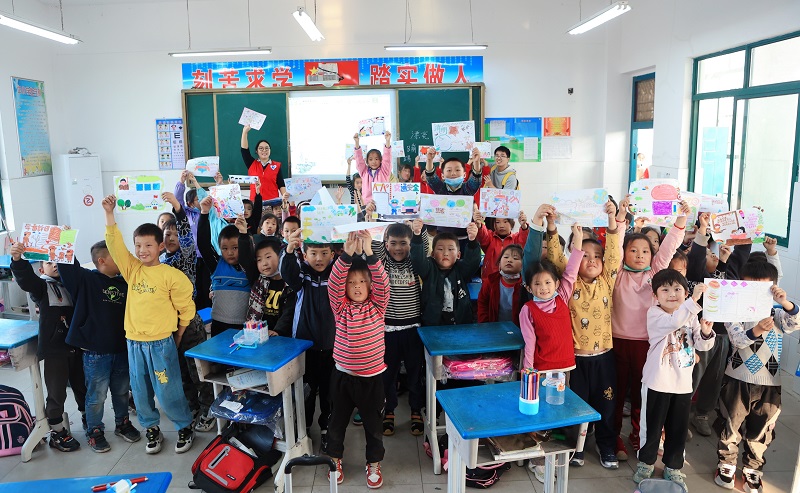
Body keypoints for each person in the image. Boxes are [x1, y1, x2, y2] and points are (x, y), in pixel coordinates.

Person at [102, 195, 196, 455]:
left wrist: (178, 335)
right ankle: (151, 428)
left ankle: (184, 426)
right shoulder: (132, 270)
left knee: (168, 389)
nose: (142, 250)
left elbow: (186, 309)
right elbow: (115, 245)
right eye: (138, 245)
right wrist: (109, 214)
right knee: (140, 390)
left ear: (160, 246)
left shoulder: (171, 275)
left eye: (148, 245)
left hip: (161, 344)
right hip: (134, 343)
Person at [545, 196, 626, 469]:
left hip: (604, 358)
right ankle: (577, 447)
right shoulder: (568, 283)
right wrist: (552, 225)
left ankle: (606, 446)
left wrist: (612, 219)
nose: (592, 260)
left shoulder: (606, 281)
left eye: (597, 257)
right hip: (575, 360)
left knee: (606, 404)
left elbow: (614, 252)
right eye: (585, 255)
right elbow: (556, 257)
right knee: (575, 405)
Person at [612, 200, 690, 460]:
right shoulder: (616, 273)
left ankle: (638, 435)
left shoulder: (654, 274)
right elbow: (614, 245)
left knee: (641, 394)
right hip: (617, 343)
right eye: (633, 250)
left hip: (647, 345)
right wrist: (621, 217)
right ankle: (613, 438)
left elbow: (669, 247)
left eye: (645, 251)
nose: (639, 255)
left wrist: (681, 220)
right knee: (616, 394)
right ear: (624, 253)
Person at [714, 260, 798, 493]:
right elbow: (738, 340)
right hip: (736, 379)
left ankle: (753, 468)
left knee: (762, 428)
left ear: (773, 289)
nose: (757, 294)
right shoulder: (735, 313)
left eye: (763, 289)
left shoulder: (778, 314)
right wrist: (758, 329)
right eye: (751, 288)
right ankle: (726, 464)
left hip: (770, 383)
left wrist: (785, 302)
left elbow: (795, 323)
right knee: (731, 423)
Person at [633, 270, 715, 490]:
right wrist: (693, 301)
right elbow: (673, 322)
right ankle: (646, 462)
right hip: (657, 382)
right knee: (651, 427)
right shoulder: (655, 313)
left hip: (682, 384)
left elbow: (702, 345)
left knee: (678, 429)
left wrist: (706, 332)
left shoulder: (691, 315)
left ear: (685, 292)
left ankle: (673, 466)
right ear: (655, 296)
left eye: (678, 289)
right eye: (665, 290)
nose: (672, 294)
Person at [57, 240, 141, 452]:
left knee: (121, 391)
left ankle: (122, 423)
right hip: (95, 353)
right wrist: (64, 239)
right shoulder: (86, 280)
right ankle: (94, 430)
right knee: (97, 395)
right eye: (116, 255)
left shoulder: (126, 281)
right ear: (102, 260)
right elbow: (67, 266)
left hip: (121, 348)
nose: (122, 258)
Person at [325, 231, 390, 488]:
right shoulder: (340, 307)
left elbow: (384, 283)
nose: (356, 286)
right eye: (351, 282)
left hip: (372, 379)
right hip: (343, 377)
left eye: (362, 281)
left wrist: (370, 253)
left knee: (373, 426)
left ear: (370, 285)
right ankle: (334, 459)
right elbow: (333, 283)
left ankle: (374, 463)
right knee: (336, 423)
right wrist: (347, 255)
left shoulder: (378, 306)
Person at [10, 242, 86, 452]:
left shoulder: (72, 284)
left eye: (58, 261)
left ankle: (88, 418)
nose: (55, 265)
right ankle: (57, 431)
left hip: (77, 347)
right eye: (49, 262)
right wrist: (18, 260)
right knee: (57, 391)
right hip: (55, 350)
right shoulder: (42, 287)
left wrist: (66, 245)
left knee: (82, 386)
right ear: (41, 269)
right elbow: (26, 280)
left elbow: (74, 269)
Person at [685, 212, 751, 437]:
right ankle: (680, 415)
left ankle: (702, 414)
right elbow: (696, 257)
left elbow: (741, 257)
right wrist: (703, 229)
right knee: (693, 376)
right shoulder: (696, 276)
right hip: (698, 336)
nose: (711, 254)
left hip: (722, 335)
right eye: (707, 252)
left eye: (712, 252)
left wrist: (748, 226)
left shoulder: (727, 273)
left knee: (714, 378)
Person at [279, 228, 337, 452]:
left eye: (324, 253)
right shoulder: (302, 273)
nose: (319, 258)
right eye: (313, 253)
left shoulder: (337, 272)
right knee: (306, 392)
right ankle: (302, 430)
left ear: (332, 254)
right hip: (305, 346)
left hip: (333, 346)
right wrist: (289, 250)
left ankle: (327, 429)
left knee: (330, 393)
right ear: (305, 255)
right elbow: (289, 275)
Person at [370, 221, 429, 437]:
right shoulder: (383, 263)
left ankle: (416, 410)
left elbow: (423, 247)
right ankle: (389, 410)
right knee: (388, 375)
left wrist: (420, 230)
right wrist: (372, 219)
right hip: (387, 330)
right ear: (386, 244)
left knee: (415, 374)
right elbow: (375, 246)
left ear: (410, 244)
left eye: (403, 243)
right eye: (393, 243)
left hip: (413, 329)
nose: (398, 248)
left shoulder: (414, 262)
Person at [519, 224, 583, 372]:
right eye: (537, 283)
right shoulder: (527, 310)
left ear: (557, 283)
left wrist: (578, 239)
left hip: (566, 365)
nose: (543, 287)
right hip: (541, 368)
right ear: (529, 288)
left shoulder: (562, 297)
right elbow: (529, 341)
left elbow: (572, 271)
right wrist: (528, 369)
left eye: (548, 282)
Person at [197, 196, 251, 337]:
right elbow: (203, 245)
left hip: (245, 327)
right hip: (218, 325)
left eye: (235, 247)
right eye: (225, 248)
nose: (230, 253)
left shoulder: (250, 267)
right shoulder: (217, 264)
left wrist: (244, 233)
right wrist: (204, 213)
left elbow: (247, 251)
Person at [411, 221, 481, 326]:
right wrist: (417, 235)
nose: (445, 253)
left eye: (451, 249)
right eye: (440, 249)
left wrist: (472, 240)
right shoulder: (429, 269)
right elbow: (417, 259)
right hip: (433, 325)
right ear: (432, 254)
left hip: (460, 324)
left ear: (458, 255)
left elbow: (473, 261)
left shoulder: (461, 269)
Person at [237, 226, 296, 337]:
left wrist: (278, 331)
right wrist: (243, 234)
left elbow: (289, 312)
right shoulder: (258, 280)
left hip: (281, 337)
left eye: (268, 257)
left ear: (280, 256)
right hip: (257, 335)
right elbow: (245, 259)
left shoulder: (289, 284)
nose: (264, 263)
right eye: (259, 260)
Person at [423, 147, 483, 248]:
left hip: (465, 238)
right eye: (449, 170)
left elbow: (476, 180)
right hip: (443, 239)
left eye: (457, 170)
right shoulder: (441, 189)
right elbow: (431, 178)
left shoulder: (467, 189)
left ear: (464, 174)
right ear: (442, 176)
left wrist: (476, 162)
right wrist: (429, 160)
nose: (453, 173)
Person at [474, 208, 529, 282]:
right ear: (494, 224)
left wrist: (524, 226)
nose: (501, 225)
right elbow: (482, 235)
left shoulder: (516, 239)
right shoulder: (490, 237)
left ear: (512, 224)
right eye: (497, 222)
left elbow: (524, 238)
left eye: (505, 221)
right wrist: (479, 224)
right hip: (490, 280)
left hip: (512, 281)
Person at [477, 244, 526, 325]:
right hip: (495, 328)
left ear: (523, 265)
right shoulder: (490, 281)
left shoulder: (525, 285)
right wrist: (485, 326)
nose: (509, 260)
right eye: (506, 257)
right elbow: (483, 304)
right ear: (499, 263)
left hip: (519, 329)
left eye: (515, 258)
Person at [241, 124, 287, 203]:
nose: (264, 150)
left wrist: (285, 199)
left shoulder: (277, 166)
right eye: (261, 148)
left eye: (267, 148)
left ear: (270, 150)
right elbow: (244, 150)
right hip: (255, 203)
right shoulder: (252, 164)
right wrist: (244, 132)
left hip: (272, 203)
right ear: (257, 151)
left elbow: (281, 184)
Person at [353, 130, 392, 204]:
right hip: (367, 205)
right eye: (370, 159)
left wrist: (387, 141)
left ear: (381, 160)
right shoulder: (364, 172)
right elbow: (359, 160)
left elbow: (387, 158)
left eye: (376, 159)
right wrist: (357, 143)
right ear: (367, 161)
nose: (374, 162)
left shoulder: (384, 171)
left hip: (382, 204)